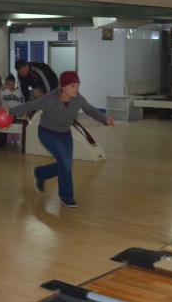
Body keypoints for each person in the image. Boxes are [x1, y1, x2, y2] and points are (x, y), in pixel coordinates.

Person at [8, 71, 114, 208]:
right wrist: (10, 112)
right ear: (63, 87)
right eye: (73, 86)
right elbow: (30, 105)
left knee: (66, 164)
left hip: (65, 134)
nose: (76, 89)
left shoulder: (78, 99)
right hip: (47, 133)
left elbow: (91, 110)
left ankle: (41, 173)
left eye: (78, 85)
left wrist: (105, 119)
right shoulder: (49, 99)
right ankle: (67, 197)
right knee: (64, 162)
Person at [1, 74, 25, 146]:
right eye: (9, 85)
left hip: (16, 113)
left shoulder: (18, 92)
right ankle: (9, 141)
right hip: (8, 113)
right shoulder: (5, 92)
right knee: (9, 126)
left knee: (16, 127)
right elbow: (4, 103)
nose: (11, 86)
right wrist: (4, 110)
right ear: (6, 84)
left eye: (12, 85)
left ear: (15, 83)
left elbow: (21, 103)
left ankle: (16, 140)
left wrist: (20, 112)